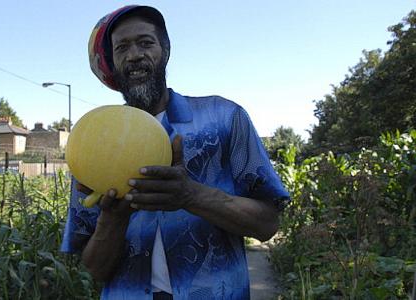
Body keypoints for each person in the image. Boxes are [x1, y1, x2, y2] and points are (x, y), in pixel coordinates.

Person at [61, 5, 290, 300]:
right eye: (122, 48)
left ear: (165, 51)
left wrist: (191, 195)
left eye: (146, 43)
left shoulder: (225, 118)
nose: (134, 55)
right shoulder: (93, 142)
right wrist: (113, 220)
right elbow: (93, 271)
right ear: (112, 65)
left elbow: (267, 224)